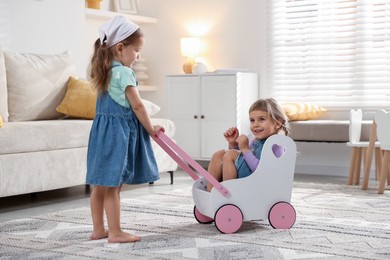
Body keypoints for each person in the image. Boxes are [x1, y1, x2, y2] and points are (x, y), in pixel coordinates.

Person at [86, 16, 164, 243]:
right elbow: (137, 105)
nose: (139, 56)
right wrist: (151, 129)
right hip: (117, 135)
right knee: (114, 185)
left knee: (100, 183)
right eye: (137, 50)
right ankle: (116, 232)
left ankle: (98, 229)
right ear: (120, 48)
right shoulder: (124, 73)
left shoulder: (103, 71)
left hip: (100, 134)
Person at [206, 98, 289, 192]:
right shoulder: (254, 140)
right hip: (246, 178)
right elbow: (241, 159)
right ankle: (210, 193)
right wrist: (233, 144)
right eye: (252, 120)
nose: (255, 124)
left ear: (277, 123)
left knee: (230, 154)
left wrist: (245, 149)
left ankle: (229, 194)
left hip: (258, 183)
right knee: (219, 154)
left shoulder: (276, 146)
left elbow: (262, 172)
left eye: (261, 119)